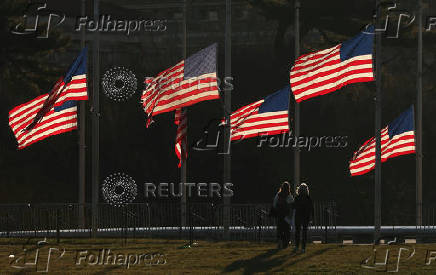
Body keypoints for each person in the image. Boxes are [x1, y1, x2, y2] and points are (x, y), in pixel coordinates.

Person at [292, 183, 314, 253]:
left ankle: (296, 246)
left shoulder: (297, 198)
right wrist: (312, 218)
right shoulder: (308, 198)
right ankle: (303, 248)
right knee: (304, 233)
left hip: (298, 216)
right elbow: (311, 209)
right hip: (306, 217)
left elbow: (294, 206)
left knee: (297, 232)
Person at [273, 181, 294, 249]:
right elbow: (292, 206)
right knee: (286, 230)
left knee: (279, 229)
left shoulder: (278, 195)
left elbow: (274, 204)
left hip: (279, 215)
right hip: (286, 215)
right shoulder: (289, 196)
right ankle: (285, 243)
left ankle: (279, 242)